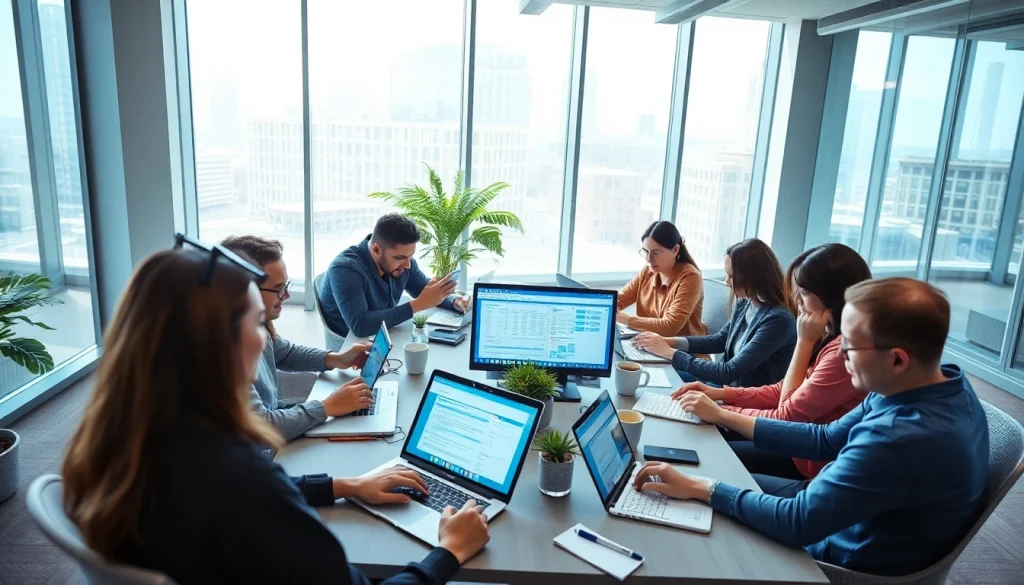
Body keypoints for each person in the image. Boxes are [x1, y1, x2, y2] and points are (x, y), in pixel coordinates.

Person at [62, 238, 490, 583]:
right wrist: (447, 554)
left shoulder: (120, 441)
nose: (265, 339)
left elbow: (254, 495)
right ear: (217, 344)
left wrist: (345, 484)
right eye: (254, 324)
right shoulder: (239, 478)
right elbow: (254, 494)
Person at [638, 278, 989, 576]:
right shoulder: (937, 384)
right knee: (702, 473)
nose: (840, 355)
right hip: (831, 507)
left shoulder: (901, 439)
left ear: (897, 358)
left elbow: (798, 523)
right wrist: (725, 417)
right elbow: (826, 438)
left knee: (693, 528)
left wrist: (708, 490)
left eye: (849, 347)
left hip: (837, 558)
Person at [673, 243, 871, 479]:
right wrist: (720, 395)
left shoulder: (841, 352)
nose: (796, 298)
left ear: (833, 296)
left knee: (707, 455)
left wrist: (804, 343)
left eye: (804, 292)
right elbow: (781, 390)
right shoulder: (828, 334)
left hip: (803, 461)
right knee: (699, 434)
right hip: (788, 440)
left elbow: (786, 416)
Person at [221, 235, 373, 442]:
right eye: (278, 289)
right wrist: (327, 407)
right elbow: (262, 425)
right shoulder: (222, 351)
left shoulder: (253, 324)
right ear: (245, 290)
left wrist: (338, 358)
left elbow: (286, 353)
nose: (286, 296)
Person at [633, 238, 796, 387]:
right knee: (652, 378)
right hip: (722, 387)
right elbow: (720, 340)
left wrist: (669, 352)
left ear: (754, 277)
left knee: (663, 387)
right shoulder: (746, 303)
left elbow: (728, 372)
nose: (727, 282)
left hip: (741, 399)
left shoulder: (778, 320)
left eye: (732, 276)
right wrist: (666, 341)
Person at [318, 214, 468, 338]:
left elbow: (425, 290)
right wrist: (419, 304)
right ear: (376, 249)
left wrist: (454, 301)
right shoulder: (345, 269)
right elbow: (361, 326)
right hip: (349, 346)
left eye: (410, 256)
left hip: (383, 336)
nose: (408, 265)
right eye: (400, 257)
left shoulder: (403, 263)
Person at [615, 221, 707, 337]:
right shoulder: (648, 271)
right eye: (646, 252)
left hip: (681, 351)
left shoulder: (690, 277)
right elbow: (620, 300)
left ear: (675, 250)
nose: (649, 259)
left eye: (656, 253)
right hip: (649, 345)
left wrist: (623, 318)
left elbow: (669, 327)